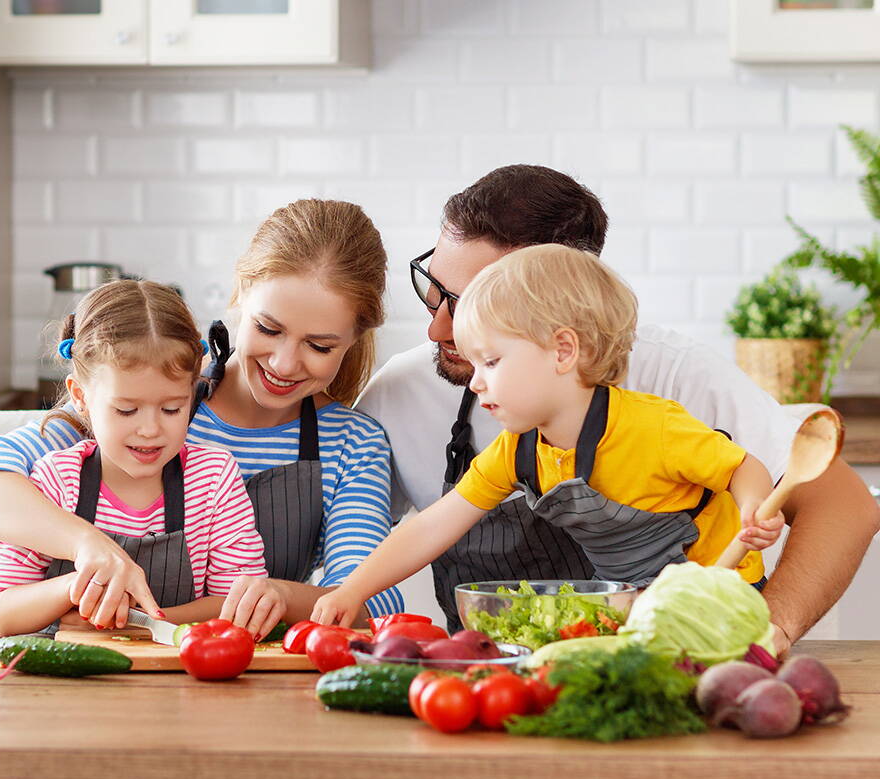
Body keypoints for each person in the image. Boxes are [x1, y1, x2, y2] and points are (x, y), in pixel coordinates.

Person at [354, 165, 880, 654]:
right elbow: (360, 543)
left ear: (565, 330)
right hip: (503, 682)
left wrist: (767, 632)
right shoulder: (404, 390)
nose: (437, 330)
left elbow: (844, 506)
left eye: (472, 307)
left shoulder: (670, 379)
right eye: (434, 289)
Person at [0, 199, 402, 639]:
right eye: (268, 328)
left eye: (320, 346)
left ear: (354, 338)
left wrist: (275, 594)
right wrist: (90, 546)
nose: (283, 363)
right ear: (238, 295)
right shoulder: (154, 396)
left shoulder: (351, 442)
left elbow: (369, 603)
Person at [313, 245, 785, 626]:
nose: (476, 382)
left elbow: (742, 466)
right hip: (636, 604)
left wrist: (752, 508)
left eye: (492, 362)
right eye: (475, 365)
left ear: (563, 351)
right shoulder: (517, 448)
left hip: (720, 595)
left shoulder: (654, 427)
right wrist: (353, 590)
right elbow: (434, 525)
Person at [0, 280, 268, 635]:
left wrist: (126, 623)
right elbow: (1, 613)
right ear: (81, 397)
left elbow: (237, 602)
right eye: (126, 410)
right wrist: (72, 588)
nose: (150, 429)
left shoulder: (212, 480)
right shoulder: (57, 480)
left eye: (171, 408)